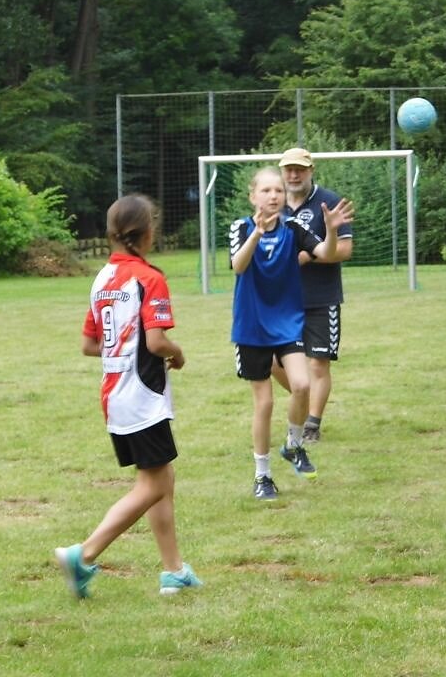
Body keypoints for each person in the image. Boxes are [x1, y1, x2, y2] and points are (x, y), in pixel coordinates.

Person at [55, 194, 202, 598]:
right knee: (153, 485)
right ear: (147, 233)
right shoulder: (149, 278)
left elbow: (89, 344)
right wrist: (179, 353)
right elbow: (156, 342)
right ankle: (83, 554)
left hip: (115, 395)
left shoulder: (101, 278)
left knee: (160, 477)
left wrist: (123, 349)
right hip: (142, 394)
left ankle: (173, 570)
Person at [230, 166, 354, 500]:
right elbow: (238, 266)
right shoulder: (240, 227)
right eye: (267, 191)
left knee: (301, 384)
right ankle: (262, 475)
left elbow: (327, 254)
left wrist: (329, 231)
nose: (274, 196)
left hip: (286, 322)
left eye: (278, 191)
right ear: (253, 196)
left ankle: (293, 445)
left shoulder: (294, 228)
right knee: (265, 403)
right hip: (252, 326)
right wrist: (256, 233)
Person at [269, 147, 353, 443]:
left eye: (299, 169)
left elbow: (344, 250)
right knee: (271, 362)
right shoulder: (272, 202)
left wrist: (307, 257)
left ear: (310, 170)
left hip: (321, 296)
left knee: (317, 363)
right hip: (279, 300)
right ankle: (304, 398)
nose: (293, 175)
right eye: (288, 169)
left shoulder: (329, 202)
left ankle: (312, 425)